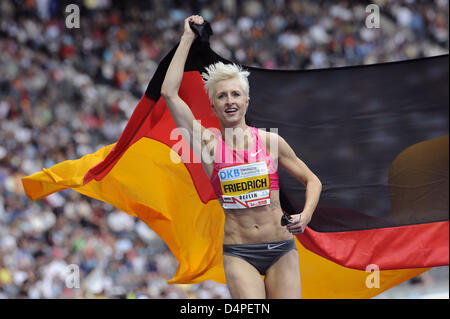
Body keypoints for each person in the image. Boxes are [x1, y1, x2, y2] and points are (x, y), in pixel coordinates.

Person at [161, 15, 322, 299]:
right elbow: (169, 93)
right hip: (240, 252)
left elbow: (312, 180)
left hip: (281, 247)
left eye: (236, 94)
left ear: (246, 102)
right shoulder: (208, 144)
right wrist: (187, 39)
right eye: (222, 96)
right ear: (213, 105)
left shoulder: (270, 141)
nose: (230, 100)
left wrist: (305, 216)